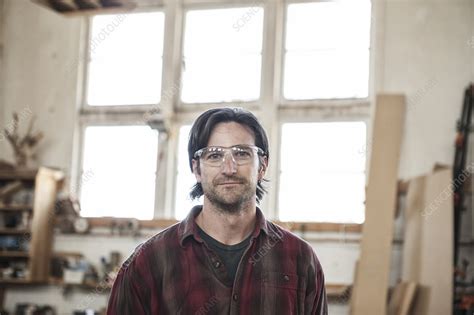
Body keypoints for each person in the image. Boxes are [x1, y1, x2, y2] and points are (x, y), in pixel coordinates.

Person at [107, 107, 328, 314]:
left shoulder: (300, 259)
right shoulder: (148, 262)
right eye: (214, 155)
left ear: (262, 166)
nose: (229, 168)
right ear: (196, 169)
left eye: (241, 153)